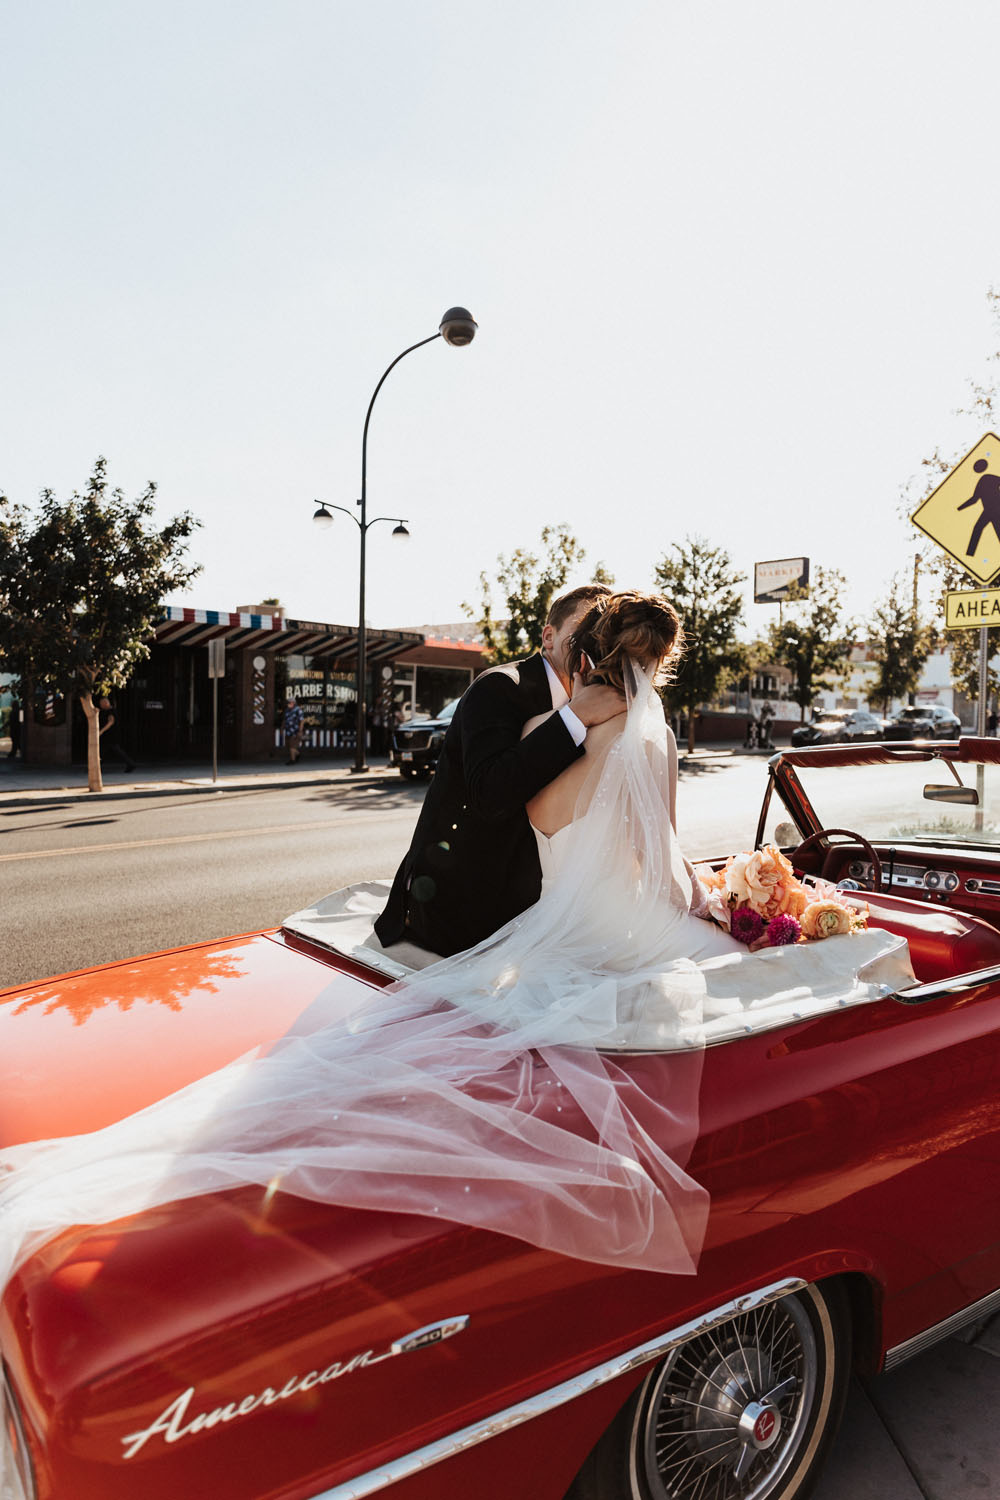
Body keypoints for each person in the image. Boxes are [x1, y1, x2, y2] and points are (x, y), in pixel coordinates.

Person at [0, 590, 913, 1291]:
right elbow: (644, 847)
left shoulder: (583, 726)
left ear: (591, 647)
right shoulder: (559, 710)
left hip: (557, 910)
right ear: (654, 666)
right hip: (542, 914)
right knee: (740, 964)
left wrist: (580, 766)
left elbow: (545, 818)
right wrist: (717, 899)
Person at [374, 583, 621, 958]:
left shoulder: (599, 701)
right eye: (583, 631)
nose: (590, 644)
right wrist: (576, 716)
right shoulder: (501, 688)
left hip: (533, 904)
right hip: (453, 906)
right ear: (549, 636)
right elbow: (490, 794)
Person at [97, 696, 136, 771]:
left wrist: (101, 731)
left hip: (111, 735)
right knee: (104, 751)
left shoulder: (111, 711)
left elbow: (110, 722)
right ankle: (130, 764)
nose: (101, 705)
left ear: (106, 703)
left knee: (107, 751)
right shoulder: (106, 711)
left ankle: (131, 763)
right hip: (108, 735)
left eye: (101, 703)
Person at [284, 696, 304, 764]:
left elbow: (302, 721)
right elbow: (285, 720)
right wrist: (282, 728)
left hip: (295, 731)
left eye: (289, 703)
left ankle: (292, 760)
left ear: (293, 703)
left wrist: (300, 731)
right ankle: (298, 754)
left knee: (292, 746)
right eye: (287, 703)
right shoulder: (287, 710)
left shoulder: (298, 710)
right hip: (288, 731)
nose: (288, 704)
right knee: (288, 746)